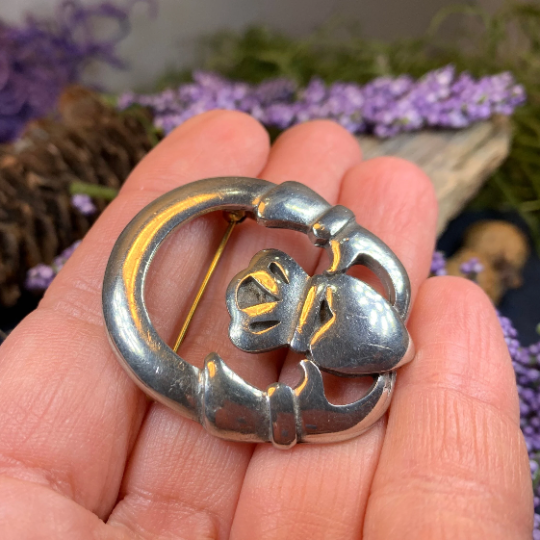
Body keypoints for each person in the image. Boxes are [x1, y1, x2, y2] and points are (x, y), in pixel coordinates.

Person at [0, 110, 533, 539]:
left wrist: (258, 408)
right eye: (331, 304)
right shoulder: (372, 291)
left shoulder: (360, 333)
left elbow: (337, 240)